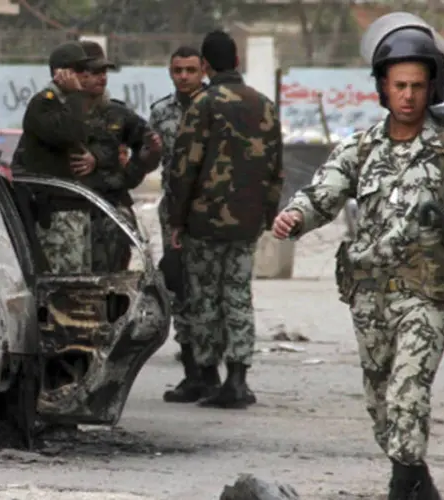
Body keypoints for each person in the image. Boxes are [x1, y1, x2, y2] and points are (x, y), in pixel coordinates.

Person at [272, 13, 444, 498]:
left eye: (417, 85)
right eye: (399, 85)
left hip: (427, 297)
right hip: (369, 297)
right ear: (383, 88)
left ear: (431, 87)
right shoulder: (361, 147)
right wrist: (295, 218)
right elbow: (322, 195)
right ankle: (419, 482)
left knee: (408, 392)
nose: (409, 95)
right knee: (382, 409)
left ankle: (400, 487)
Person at [167, 30, 283, 409]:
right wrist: (267, 214)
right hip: (247, 221)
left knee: (204, 298)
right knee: (237, 295)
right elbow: (275, 167)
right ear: (236, 61)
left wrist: (176, 221)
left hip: (204, 221)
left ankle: (207, 375)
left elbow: (184, 168)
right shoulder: (264, 105)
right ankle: (237, 379)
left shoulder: (202, 104)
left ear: (205, 65)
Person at [147, 46, 207, 403]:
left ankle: (217, 370)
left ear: (203, 71)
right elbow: (155, 159)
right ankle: (192, 371)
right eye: (177, 70)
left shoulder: (216, 107)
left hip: (211, 214)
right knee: (181, 291)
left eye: (190, 70)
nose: (183, 76)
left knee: (211, 294)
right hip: (173, 213)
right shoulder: (161, 112)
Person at [77, 40, 162, 273]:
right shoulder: (55, 114)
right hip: (70, 210)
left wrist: (132, 171)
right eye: (94, 72)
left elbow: (148, 148)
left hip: (110, 209)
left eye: (104, 72)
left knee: (111, 281)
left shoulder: (118, 114)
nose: (102, 77)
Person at [14, 41, 96, 274]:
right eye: (78, 70)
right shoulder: (44, 104)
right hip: (57, 211)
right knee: (65, 282)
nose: (85, 76)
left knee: (82, 280)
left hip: (76, 207)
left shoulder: (69, 104)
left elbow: (85, 139)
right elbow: (69, 133)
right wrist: (77, 96)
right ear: (62, 72)